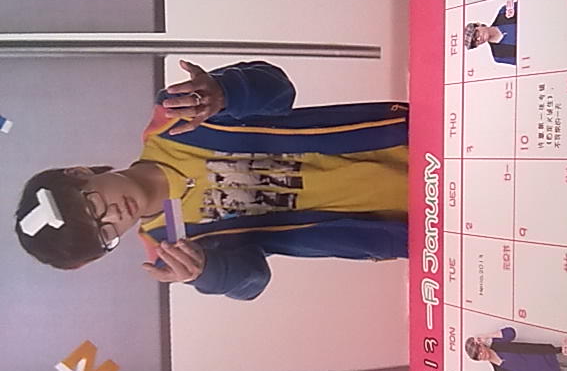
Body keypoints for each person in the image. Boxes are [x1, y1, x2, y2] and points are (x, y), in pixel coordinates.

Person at [15, 60, 408, 301]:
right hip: (400, 223)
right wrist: (208, 273)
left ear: (80, 173)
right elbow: (254, 279)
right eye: (105, 231)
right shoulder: (172, 248)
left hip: (402, 137)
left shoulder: (175, 116)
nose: (114, 214)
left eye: (92, 206)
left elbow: (278, 88)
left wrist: (226, 91)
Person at [464, 1, 517, 65]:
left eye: (476, 34)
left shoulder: (503, 12)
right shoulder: (498, 56)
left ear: (478, 25)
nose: (479, 39)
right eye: (475, 42)